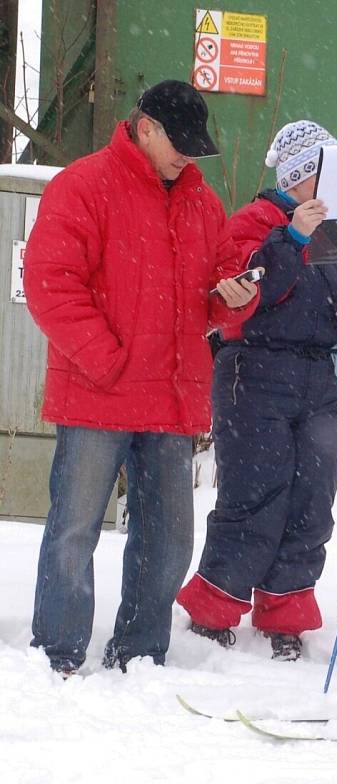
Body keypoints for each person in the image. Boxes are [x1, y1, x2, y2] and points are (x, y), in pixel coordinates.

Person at [23, 80, 259, 676]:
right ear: (145, 127)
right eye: (179, 142)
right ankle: (58, 652)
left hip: (170, 399)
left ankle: (141, 652)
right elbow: (51, 284)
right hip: (98, 394)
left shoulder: (203, 204)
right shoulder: (81, 185)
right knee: (75, 531)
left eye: (195, 146)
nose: (188, 155)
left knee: (170, 540)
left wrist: (233, 297)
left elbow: (212, 293)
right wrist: (108, 360)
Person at [176, 120, 337, 661]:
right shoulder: (254, 221)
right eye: (325, 173)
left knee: (312, 501)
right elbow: (248, 293)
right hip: (256, 372)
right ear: (302, 176)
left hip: (326, 379)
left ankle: (286, 616)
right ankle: (214, 610)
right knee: (253, 497)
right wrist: (292, 237)